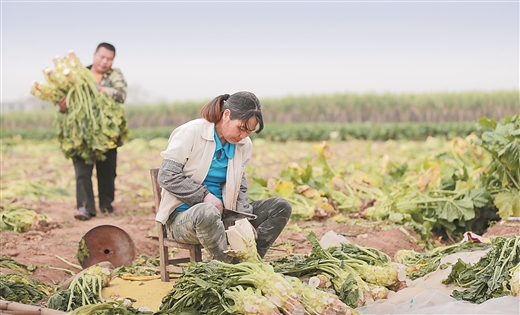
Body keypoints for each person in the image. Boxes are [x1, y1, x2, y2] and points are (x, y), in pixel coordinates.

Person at [155, 91, 292, 262]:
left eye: (249, 132)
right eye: (241, 128)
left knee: (280, 206)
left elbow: (240, 186)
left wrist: (243, 218)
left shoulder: (243, 145)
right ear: (226, 115)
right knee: (207, 212)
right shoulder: (191, 133)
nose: (243, 136)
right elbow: (167, 175)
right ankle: (226, 268)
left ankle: (252, 262)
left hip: (225, 217)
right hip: (185, 221)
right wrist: (204, 196)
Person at [57, 42, 127, 221]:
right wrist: (63, 106)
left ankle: (106, 205)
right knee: (82, 171)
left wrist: (99, 89)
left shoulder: (114, 75)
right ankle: (85, 208)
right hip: (81, 131)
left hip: (107, 132)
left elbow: (121, 95)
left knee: (107, 171)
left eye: (109, 59)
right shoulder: (79, 76)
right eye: (102, 57)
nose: (105, 62)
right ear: (94, 55)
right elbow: (65, 101)